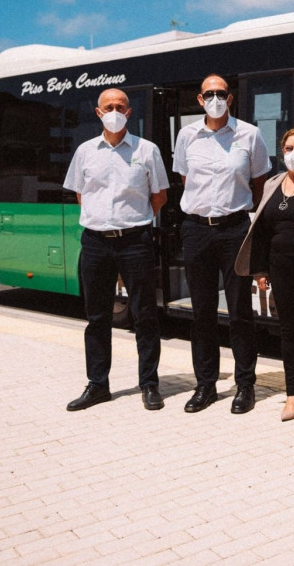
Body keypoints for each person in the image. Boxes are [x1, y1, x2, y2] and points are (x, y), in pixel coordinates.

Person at [63, 88, 169, 412]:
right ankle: (98, 385)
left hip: (136, 241)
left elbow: (159, 195)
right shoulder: (84, 151)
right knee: (96, 317)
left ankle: (149, 384)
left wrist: (133, 222)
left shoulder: (147, 150)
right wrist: (104, 222)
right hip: (95, 242)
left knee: (145, 315)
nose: (114, 110)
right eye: (108, 106)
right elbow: (82, 193)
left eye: (120, 106)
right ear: (98, 112)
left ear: (130, 111)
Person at [174, 74, 270, 415]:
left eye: (221, 93)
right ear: (200, 100)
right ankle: (206, 385)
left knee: (241, 311)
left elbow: (258, 183)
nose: (215, 98)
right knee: (201, 312)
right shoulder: (186, 136)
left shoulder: (250, 134)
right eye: (209, 94)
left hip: (235, 230)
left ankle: (246, 384)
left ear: (231, 99)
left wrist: (243, 216)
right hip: (197, 229)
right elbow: (186, 180)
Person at [235, 127, 294, 423]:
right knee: (288, 331)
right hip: (279, 268)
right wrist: (261, 268)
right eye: (289, 148)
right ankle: (293, 393)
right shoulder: (273, 183)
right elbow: (262, 230)